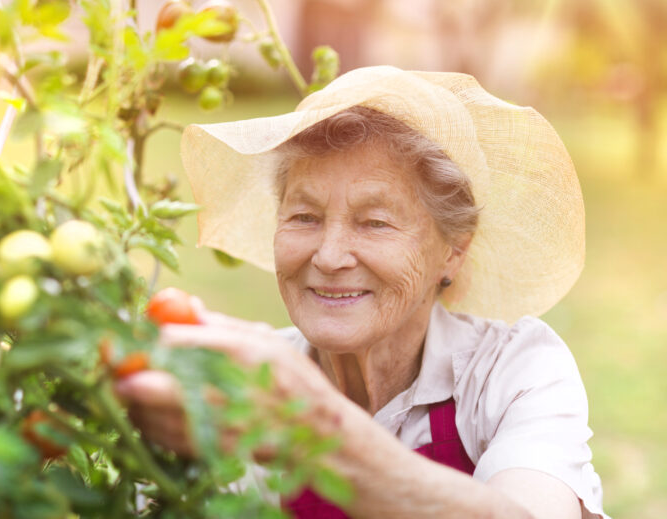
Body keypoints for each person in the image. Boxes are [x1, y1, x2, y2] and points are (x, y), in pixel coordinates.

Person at [116, 66, 609, 518]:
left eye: (374, 222)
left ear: (453, 251)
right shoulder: (242, 388)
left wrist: (316, 434)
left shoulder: (511, 371)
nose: (329, 256)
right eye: (304, 217)